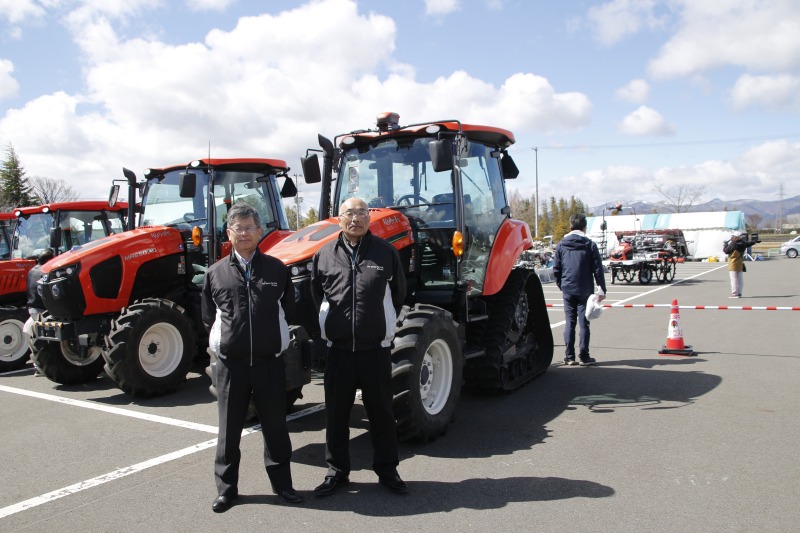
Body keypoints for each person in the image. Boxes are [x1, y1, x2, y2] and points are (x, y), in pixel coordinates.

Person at [201, 202, 303, 512]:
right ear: (228, 233)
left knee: (275, 429)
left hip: (269, 364)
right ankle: (226, 490)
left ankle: (283, 486)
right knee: (229, 432)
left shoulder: (276, 269)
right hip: (230, 367)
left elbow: (289, 311)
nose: (244, 233)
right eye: (238, 228)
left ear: (260, 232)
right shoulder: (215, 273)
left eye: (250, 228)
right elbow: (208, 317)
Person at [310, 197, 408, 497]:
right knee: (337, 416)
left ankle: (388, 470)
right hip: (339, 352)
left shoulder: (386, 253)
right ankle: (337, 472)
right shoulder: (324, 255)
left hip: (375, 351)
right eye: (350, 213)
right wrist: (333, 330)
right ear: (339, 219)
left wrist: (380, 328)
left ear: (369, 218)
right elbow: (317, 295)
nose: (356, 219)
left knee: (381, 415)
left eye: (362, 213)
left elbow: (399, 293)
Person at [553, 213, 607, 366]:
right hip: (585, 289)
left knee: (570, 322)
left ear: (570, 227)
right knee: (584, 323)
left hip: (568, 288)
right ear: (584, 227)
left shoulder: (562, 244)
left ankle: (569, 357)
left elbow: (556, 268)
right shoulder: (589, 244)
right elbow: (598, 269)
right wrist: (601, 289)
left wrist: (561, 284)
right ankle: (584, 356)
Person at [724, 232, 758, 298]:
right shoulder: (743, 243)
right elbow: (749, 243)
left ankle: (734, 294)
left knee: (733, 279)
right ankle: (739, 293)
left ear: (735, 237)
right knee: (740, 279)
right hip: (740, 263)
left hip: (733, 263)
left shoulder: (733, 244)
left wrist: (725, 245)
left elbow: (726, 251)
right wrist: (755, 241)